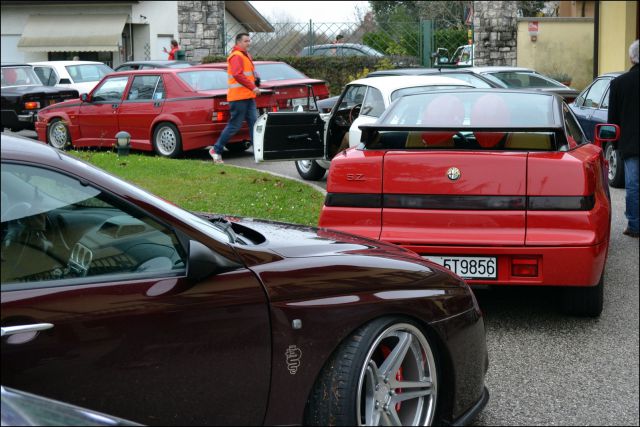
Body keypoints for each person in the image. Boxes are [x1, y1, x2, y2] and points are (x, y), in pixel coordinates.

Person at [209, 33, 261, 164]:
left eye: (249, 41)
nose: (248, 43)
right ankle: (216, 149)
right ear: (238, 42)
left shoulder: (245, 55)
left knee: (254, 124)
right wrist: (253, 87)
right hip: (238, 97)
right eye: (245, 41)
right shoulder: (236, 56)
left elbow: (248, 74)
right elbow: (237, 75)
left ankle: (258, 153)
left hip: (248, 96)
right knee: (235, 125)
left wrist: (256, 80)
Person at [608, 39, 639, 238]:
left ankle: (635, 226)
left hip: (631, 144)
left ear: (631, 58)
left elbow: (612, 122)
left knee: (634, 185)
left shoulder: (619, 84)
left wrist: (614, 145)